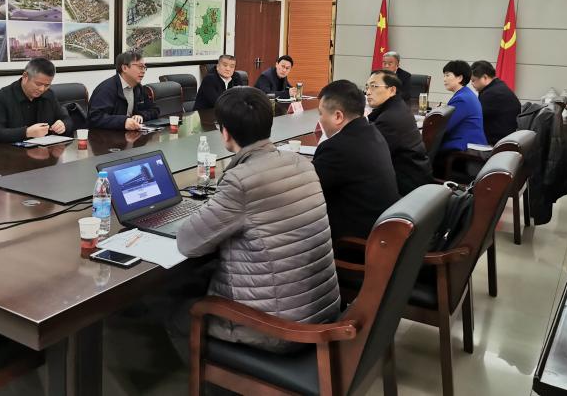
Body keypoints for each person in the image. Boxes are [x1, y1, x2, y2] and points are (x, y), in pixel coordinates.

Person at [177, 86, 340, 352]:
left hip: (278, 328)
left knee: (173, 308)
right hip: (320, 309)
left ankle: (216, 374)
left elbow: (187, 243)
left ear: (225, 132)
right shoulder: (302, 163)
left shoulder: (241, 181)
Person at [313, 79, 400, 241]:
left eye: (320, 114)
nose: (320, 119)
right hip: (382, 231)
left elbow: (308, 192)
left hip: (354, 242)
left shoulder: (336, 148)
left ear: (338, 116)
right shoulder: (373, 132)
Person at [366, 70, 433, 195]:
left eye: (374, 86)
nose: (368, 92)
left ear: (392, 90)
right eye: (367, 87)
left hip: (407, 187)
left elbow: (369, 157)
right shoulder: (398, 106)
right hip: (416, 178)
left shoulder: (389, 119)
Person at [0, 58, 72, 144]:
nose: (42, 89)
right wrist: (26, 132)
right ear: (25, 76)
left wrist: (63, 125)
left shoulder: (49, 95)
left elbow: (67, 119)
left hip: (45, 150)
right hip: (12, 152)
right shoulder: (3, 97)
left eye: (47, 85)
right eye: (38, 84)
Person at [88, 51, 160, 130]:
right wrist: (123, 121)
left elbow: (155, 110)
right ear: (124, 68)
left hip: (129, 134)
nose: (143, 71)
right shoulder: (106, 89)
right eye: (140, 67)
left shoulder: (138, 88)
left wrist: (141, 115)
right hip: (106, 136)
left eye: (144, 67)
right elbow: (95, 118)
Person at [440, 60, 488, 152]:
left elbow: (444, 127)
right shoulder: (466, 94)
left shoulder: (462, 99)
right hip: (467, 142)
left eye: (447, 75)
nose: (444, 79)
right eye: (444, 76)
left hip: (465, 146)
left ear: (460, 78)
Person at [470, 60, 521, 145]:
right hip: (506, 137)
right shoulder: (498, 87)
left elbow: (474, 117)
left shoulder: (491, 94)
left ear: (485, 77)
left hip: (497, 142)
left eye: (473, 80)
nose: (471, 83)